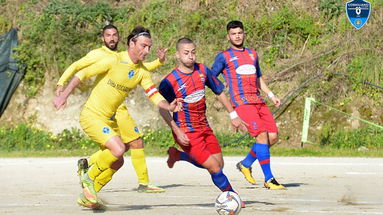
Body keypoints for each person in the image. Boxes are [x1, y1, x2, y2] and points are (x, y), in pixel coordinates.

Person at [53, 26, 182, 209]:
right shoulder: (114, 59)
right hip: (92, 115)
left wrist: (168, 105)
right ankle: (88, 178)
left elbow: (153, 94)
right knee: (119, 148)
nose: (146, 51)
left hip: (109, 120)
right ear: (131, 43)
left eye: (148, 48)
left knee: (118, 160)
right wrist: (63, 94)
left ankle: (89, 195)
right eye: (143, 46)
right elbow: (82, 73)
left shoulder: (142, 72)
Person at [158, 38, 247, 207]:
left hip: (204, 126)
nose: (190, 56)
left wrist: (233, 115)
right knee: (214, 168)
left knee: (219, 164)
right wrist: (177, 131)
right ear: (177, 55)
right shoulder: (169, 81)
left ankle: (179, 156)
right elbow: (162, 109)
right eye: (186, 53)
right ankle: (233, 197)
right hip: (186, 130)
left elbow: (219, 92)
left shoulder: (203, 70)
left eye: (193, 52)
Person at [211, 20, 285, 190]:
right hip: (241, 102)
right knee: (261, 135)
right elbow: (211, 78)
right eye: (233, 33)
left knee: (272, 137)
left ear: (244, 33)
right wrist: (223, 96)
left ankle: (245, 164)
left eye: (240, 33)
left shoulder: (253, 54)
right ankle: (269, 179)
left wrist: (271, 95)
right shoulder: (224, 56)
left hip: (258, 100)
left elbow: (258, 77)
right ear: (228, 36)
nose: (237, 36)